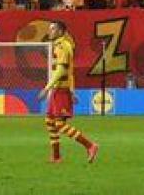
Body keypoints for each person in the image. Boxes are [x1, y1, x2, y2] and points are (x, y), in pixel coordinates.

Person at [35, 20, 97, 165]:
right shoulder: (60, 45)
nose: (49, 31)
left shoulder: (62, 46)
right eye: (49, 29)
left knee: (59, 124)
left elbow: (62, 70)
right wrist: (72, 90)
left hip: (60, 89)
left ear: (60, 31)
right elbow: (70, 72)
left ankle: (90, 145)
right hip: (60, 88)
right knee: (50, 121)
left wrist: (47, 88)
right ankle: (56, 157)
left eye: (53, 29)